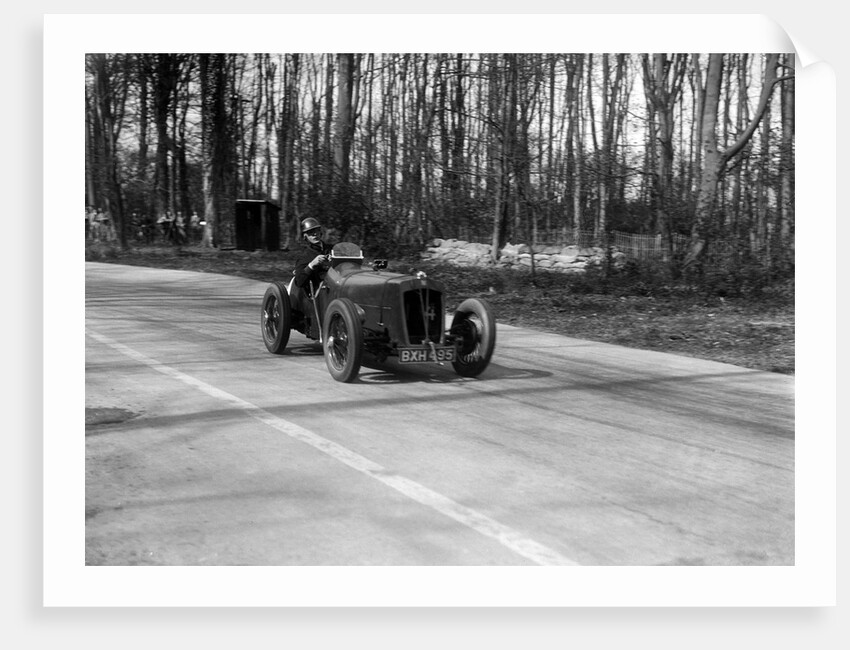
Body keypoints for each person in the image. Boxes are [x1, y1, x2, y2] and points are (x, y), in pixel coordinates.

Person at [293, 217, 333, 290]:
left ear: (320, 232)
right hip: (319, 292)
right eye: (310, 232)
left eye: (316, 231)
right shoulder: (304, 256)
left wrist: (335, 260)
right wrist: (311, 265)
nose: (315, 234)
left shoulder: (332, 249)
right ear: (305, 236)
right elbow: (299, 282)